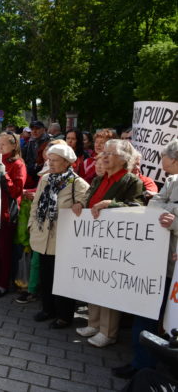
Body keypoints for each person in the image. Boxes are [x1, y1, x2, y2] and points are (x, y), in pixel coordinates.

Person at [112, 139, 178, 379]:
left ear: (173, 158)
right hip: (159, 260)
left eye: (165, 157)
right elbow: (156, 209)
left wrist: (174, 218)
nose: (162, 162)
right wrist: (166, 207)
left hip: (174, 265)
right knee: (147, 312)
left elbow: (164, 212)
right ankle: (143, 364)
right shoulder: (170, 182)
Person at [72, 139, 144, 348]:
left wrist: (111, 204)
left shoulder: (131, 181)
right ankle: (93, 323)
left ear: (124, 159)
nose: (103, 156)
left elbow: (136, 207)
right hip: (94, 241)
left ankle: (108, 331)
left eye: (109, 153)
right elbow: (88, 199)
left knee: (108, 285)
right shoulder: (99, 178)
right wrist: (80, 204)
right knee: (94, 281)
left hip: (114, 245)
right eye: (103, 152)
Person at [28, 144, 89, 328]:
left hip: (63, 239)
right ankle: (48, 309)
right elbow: (36, 204)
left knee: (62, 279)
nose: (51, 163)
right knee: (46, 277)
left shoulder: (77, 183)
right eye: (49, 160)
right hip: (43, 235)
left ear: (66, 162)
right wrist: (32, 224)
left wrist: (80, 203)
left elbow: (85, 203)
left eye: (54, 160)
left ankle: (64, 315)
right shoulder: (46, 179)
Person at [0, 132, 26, 297]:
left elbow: (16, 191)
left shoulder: (18, 164)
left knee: (4, 251)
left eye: (3, 145)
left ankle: (3, 284)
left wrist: (4, 175)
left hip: (5, 214)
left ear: (13, 146)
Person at [24, 121, 51, 188]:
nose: (34, 131)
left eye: (37, 129)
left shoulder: (49, 141)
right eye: (32, 129)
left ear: (43, 129)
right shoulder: (31, 141)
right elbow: (28, 156)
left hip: (45, 170)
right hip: (32, 171)